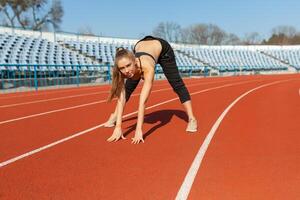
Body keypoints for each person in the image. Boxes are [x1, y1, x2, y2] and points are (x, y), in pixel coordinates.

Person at [104, 36, 197, 144]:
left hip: (162, 50)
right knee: (128, 88)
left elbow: (142, 102)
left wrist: (138, 130)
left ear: (134, 61)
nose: (126, 71)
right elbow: (121, 98)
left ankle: (192, 118)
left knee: (177, 84)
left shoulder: (148, 68)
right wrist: (118, 127)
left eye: (128, 65)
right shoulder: (122, 71)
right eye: (122, 68)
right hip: (141, 45)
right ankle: (114, 115)